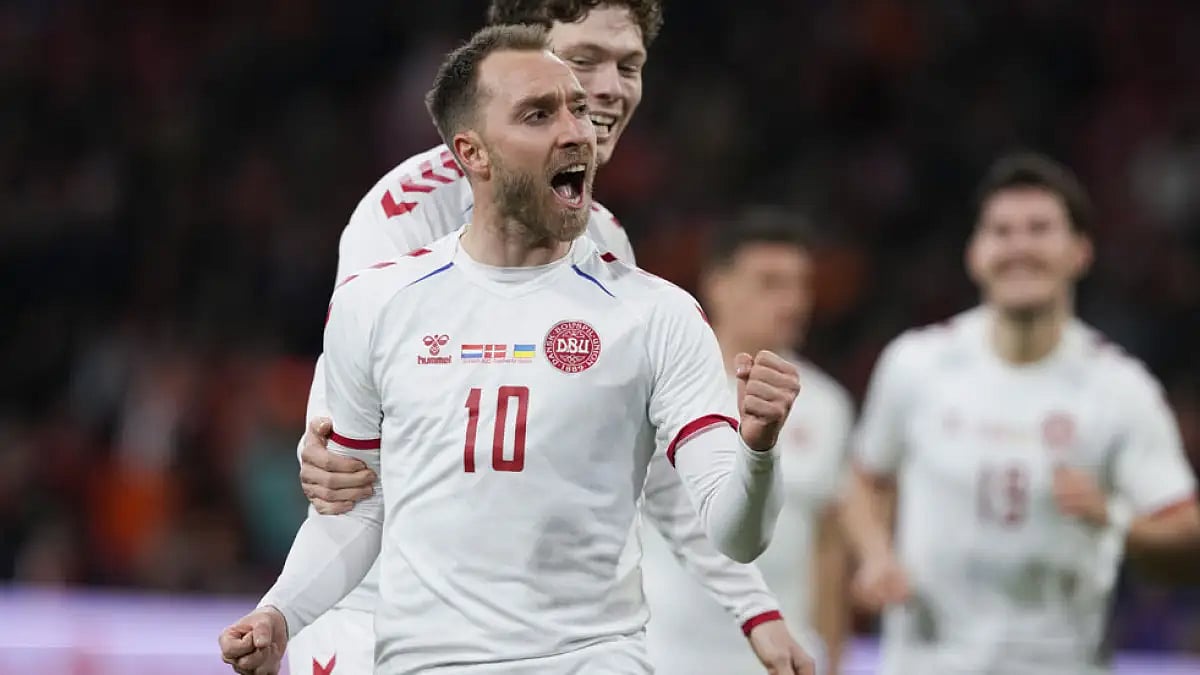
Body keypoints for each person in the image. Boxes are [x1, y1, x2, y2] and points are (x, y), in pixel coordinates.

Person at [219, 24, 806, 675]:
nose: (586, 119)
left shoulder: (650, 305)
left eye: (582, 103)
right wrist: (279, 613)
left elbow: (719, 516)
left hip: (589, 656)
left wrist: (757, 453)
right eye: (541, 111)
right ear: (472, 153)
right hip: (409, 642)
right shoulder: (387, 270)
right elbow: (353, 504)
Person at [842, 152, 1200, 675]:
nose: (1020, 247)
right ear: (975, 252)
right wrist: (875, 555)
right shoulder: (916, 364)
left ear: (1080, 251)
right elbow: (864, 479)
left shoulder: (1121, 389)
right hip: (926, 661)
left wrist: (1115, 517)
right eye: (1002, 231)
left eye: (1039, 229)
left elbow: (1188, 540)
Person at [641, 211, 854, 675]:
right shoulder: (662, 389)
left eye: (801, 285)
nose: (793, 302)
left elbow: (828, 549)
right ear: (718, 285)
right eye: (770, 283)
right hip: (665, 657)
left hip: (778, 658)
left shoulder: (828, 405)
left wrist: (834, 658)